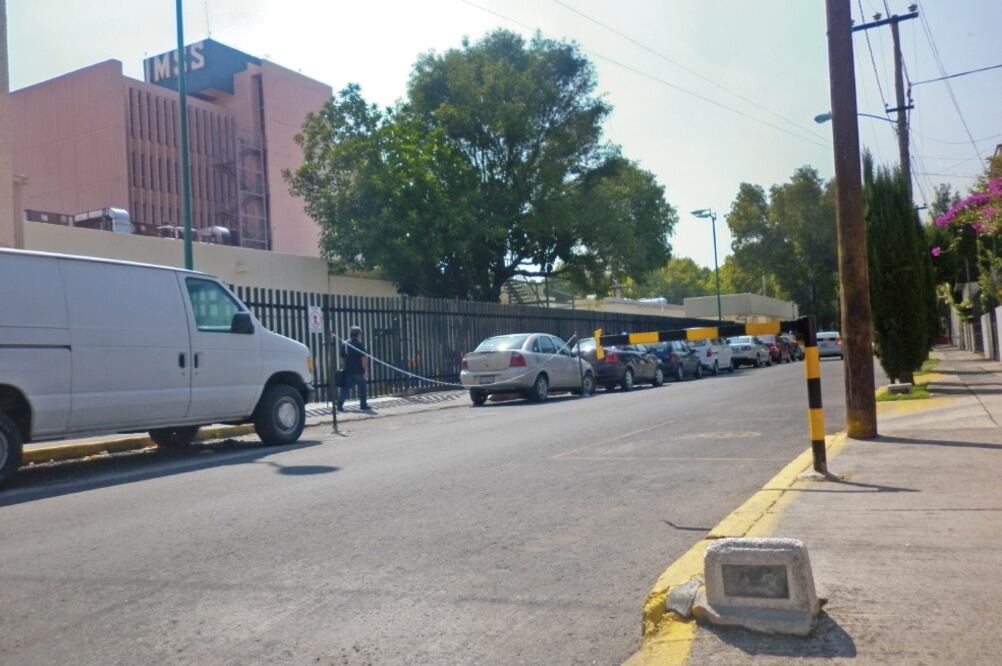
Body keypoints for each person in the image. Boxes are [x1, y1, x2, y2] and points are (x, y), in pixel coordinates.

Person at [338, 326, 370, 411]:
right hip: (358, 371)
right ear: (358, 335)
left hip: (348, 370)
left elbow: (341, 358)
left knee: (345, 388)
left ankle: (339, 404)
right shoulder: (359, 345)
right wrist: (366, 370)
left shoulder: (345, 344)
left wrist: (344, 367)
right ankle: (363, 405)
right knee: (362, 387)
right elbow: (364, 358)